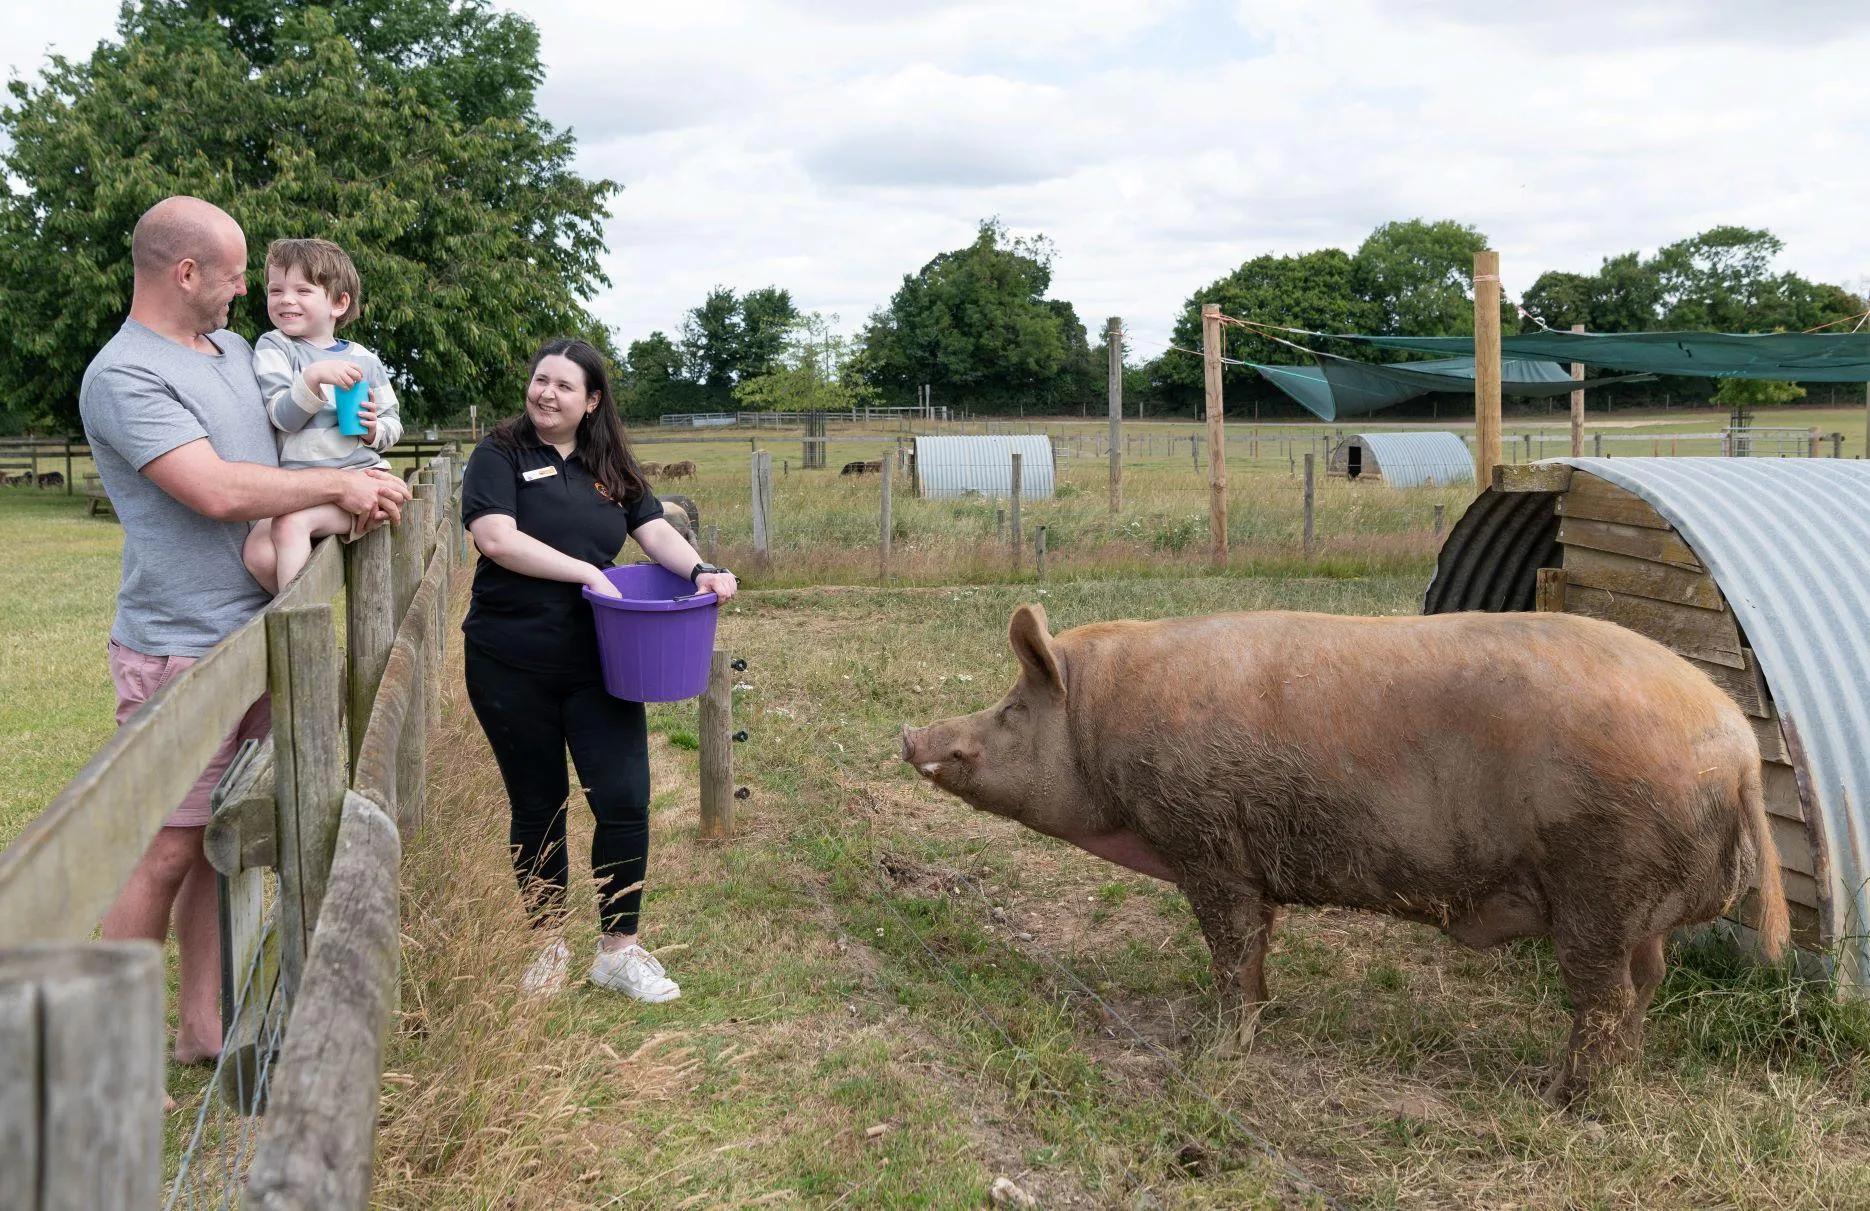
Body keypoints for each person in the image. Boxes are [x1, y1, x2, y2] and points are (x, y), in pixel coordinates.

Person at [79, 196, 410, 1072]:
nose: (246, 294)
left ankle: (203, 1027)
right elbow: (220, 490)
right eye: (233, 277)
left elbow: (292, 446)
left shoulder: (231, 353)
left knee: (222, 845)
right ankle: (109, 1056)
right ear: (184, 273)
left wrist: (358, 464)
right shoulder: (123, 376)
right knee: (164, 847)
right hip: (180, 642)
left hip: (257, 627)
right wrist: (333, 494)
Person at [460, 338, 737, 1001]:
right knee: (538, 804)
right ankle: (545, 946)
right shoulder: (499, 454)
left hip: (601, 661)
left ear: (591, 401)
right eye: (539, 380)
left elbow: (654, 529)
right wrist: (588, 570)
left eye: (563, 385)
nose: (545, 393)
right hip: (509, 659)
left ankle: (618, 951)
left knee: (622, 797)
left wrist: (699, 568)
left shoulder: (607, 463)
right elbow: (494, 537)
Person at [242, 237, 405, 594]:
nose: (286, 299)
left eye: (302, 290)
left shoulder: (364, 359)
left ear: (338, 302)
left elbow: (394, 422)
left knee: (288, 527)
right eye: (275, 290)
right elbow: (283, 417)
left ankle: (297, 635)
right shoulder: (275, 347)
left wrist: (373, 431)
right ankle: (300, 612)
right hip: (301, 486)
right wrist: (313, 378)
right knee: (256, 553)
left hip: (362, 479)